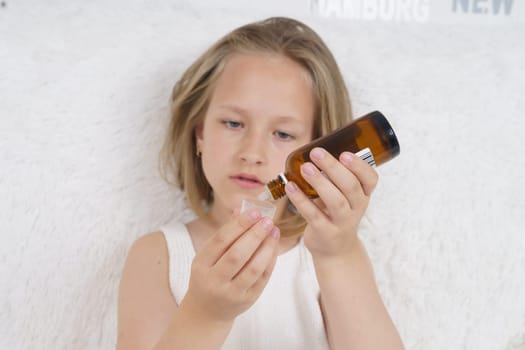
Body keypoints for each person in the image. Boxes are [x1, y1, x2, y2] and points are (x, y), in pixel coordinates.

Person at [117, 17, 404, 350]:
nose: (252, 153)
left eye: (283, 134)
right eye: (233, 123)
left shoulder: (324, 257)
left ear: (318, 148)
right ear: (199, 134)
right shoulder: (160, 254)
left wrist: (339, 254)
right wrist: (206, 314)